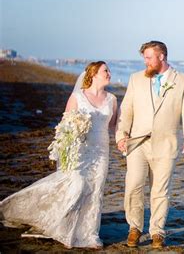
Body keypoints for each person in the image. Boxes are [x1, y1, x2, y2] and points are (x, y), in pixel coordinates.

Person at [0, 61, 117, 249]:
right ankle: (64, 226)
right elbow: (65, 127)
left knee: (96, 190)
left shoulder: (111, 99)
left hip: (102, 150)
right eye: (105, 71)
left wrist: (123, 138)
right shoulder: (78, 97)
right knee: (77, 185)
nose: (109, 73)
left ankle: (89, 234)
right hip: (80, 151)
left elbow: (113, 126)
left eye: (109, 70)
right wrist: (72, 141)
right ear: (94, 74)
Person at [116, 40, 184, 249]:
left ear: (161, 56)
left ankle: (157, 232)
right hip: (137, 143)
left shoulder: (183, 81)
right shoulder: (136, 79)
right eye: (144, 58)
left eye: (149, 57)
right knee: (134, 186)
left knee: (160, 191)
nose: (146, 62)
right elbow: (126, 110)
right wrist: (121, 135)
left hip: (166, 144)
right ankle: (134, 228)